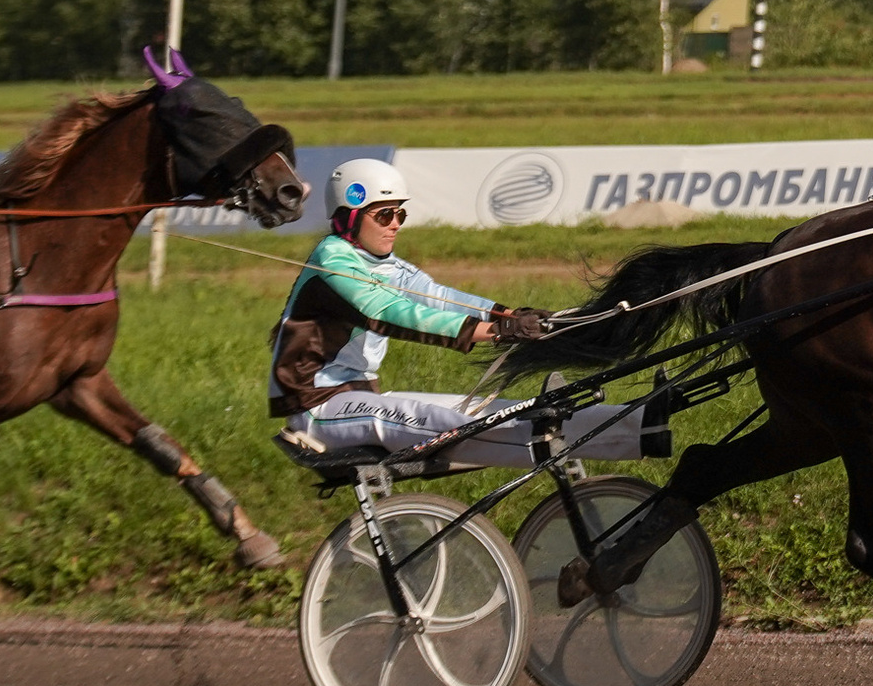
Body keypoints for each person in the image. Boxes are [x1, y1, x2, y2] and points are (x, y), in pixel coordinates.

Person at [270, 158, 645, 467]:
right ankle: (548, 441)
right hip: (317, 409)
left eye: (400, 214)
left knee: (501, 409)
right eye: (384, 215)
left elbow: (439, 298)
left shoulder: (387, 265)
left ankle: (638, 425)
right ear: (349, 216)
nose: (396, 225)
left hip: (359, 397)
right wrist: (499, 332)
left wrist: (513, 315)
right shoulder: (332, 261)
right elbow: (387, 313)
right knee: (446, 424)